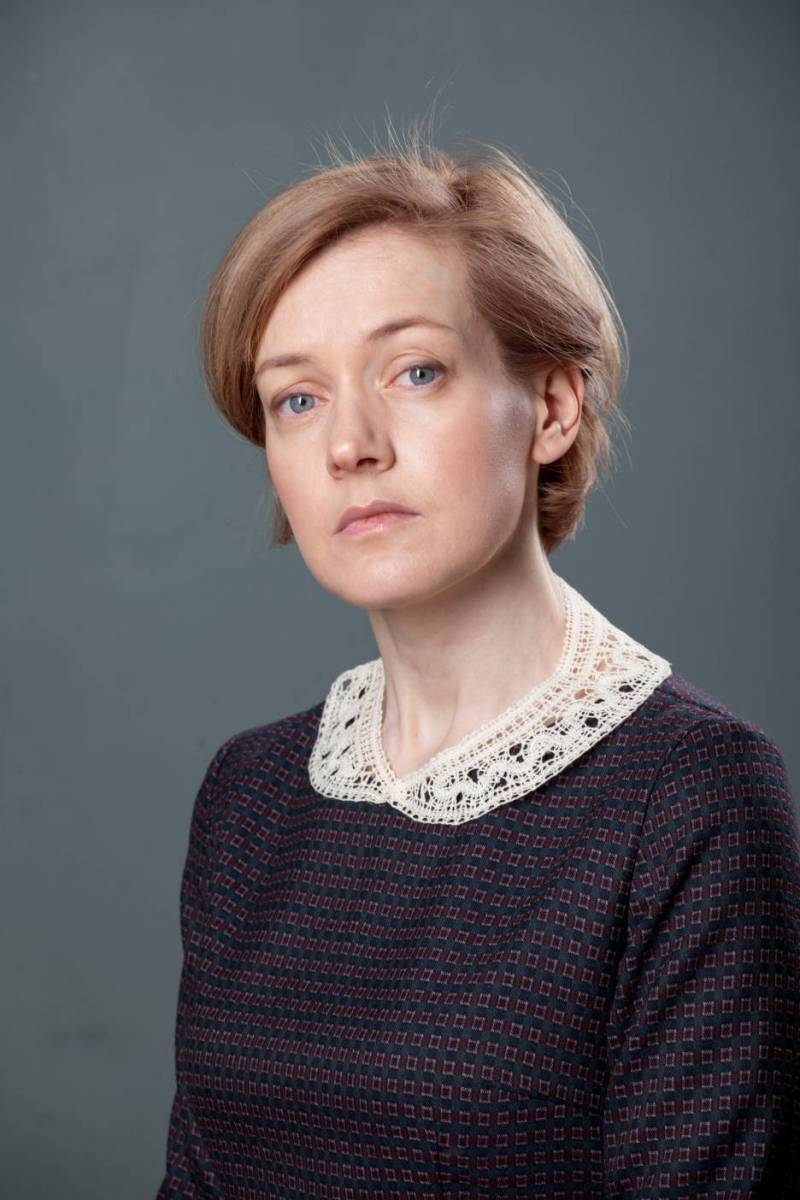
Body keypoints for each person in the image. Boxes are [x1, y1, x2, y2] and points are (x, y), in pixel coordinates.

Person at [155, 131, 799, 1197]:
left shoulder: (691, 795)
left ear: (552, 407)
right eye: (297, 399)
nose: (349, 445)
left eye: (415, 371)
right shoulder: (251, 795)